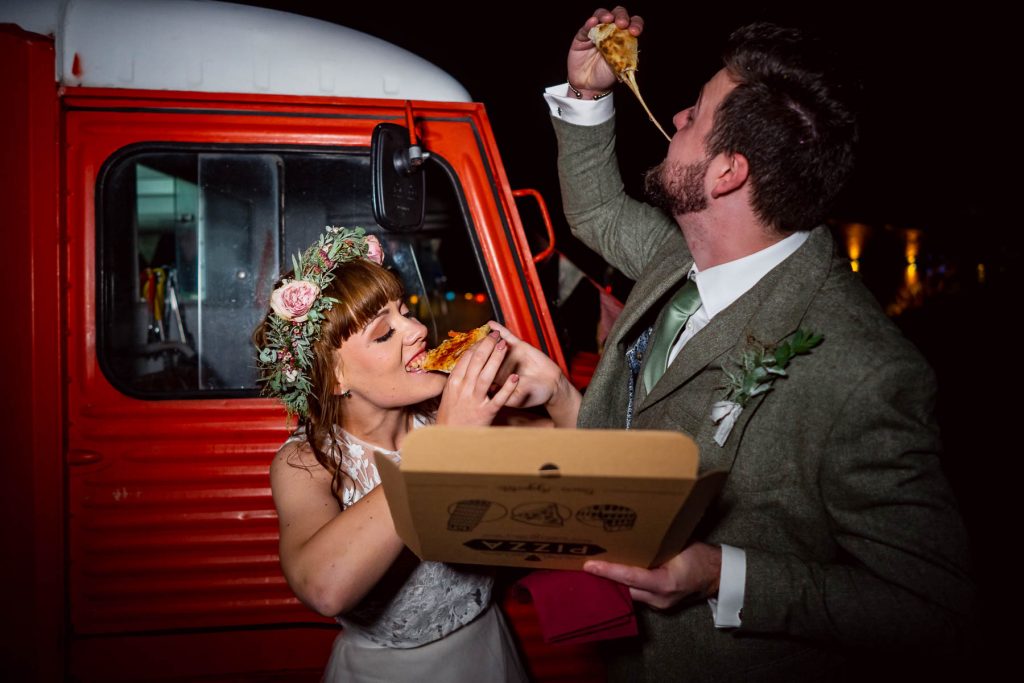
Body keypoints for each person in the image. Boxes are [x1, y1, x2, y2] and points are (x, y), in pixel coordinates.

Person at [490, 6, 976, 680]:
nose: (679, 117)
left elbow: (933, 607)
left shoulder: (866, 370)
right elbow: (597, 211)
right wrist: (589, 92)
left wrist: (721, 574)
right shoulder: (675, 256)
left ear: (727, 175)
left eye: (696, 113)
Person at [253, 226, 528, 682]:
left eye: (406, 312)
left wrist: (553, 387)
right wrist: (442, 447)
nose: (419, 329)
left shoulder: (459, 412)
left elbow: (588, 465)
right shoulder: (306, 463)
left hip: (488, 649)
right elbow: (323, 588)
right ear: (335, 378)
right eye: (385, 334)